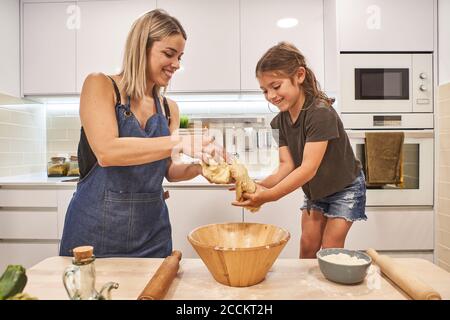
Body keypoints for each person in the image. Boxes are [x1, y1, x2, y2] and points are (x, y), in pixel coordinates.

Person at [59, 9, 220, 258]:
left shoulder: (168, 108)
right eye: (169, 54)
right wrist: (180, 141)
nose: (176, 64)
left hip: (152, 235)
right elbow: (107, 152)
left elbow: (170, 170)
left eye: (180, 57)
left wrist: (203, 168)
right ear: (141, 47)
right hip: (95, 233)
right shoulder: (100, 85)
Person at [232, 42, 367, 258]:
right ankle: (307, 293)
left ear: (300, 75)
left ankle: (327, 291)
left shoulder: (320, 113)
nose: (270, 95)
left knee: (330, 249)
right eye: (264, 90)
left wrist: (269, 196)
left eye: (276, 86)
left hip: (345, 188)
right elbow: (287, 165)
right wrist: (258, 185)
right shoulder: (278, 121)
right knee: (307, 246)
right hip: (316, 191)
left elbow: (308, 169)